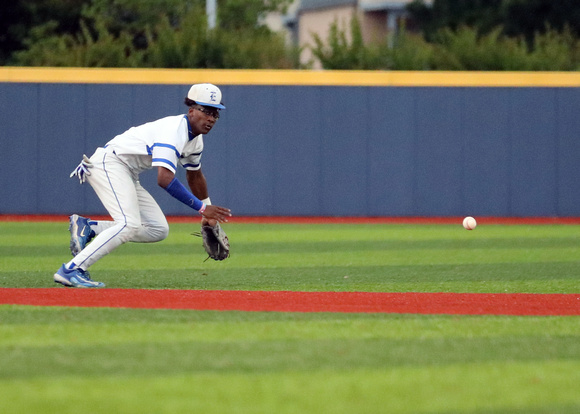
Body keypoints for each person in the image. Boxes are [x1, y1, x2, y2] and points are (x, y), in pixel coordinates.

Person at [54, 83, 232, 288]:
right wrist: (202, 208)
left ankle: (89, 227)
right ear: (191, 111)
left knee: (158, 229)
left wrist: (207, 211)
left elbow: (194, 175)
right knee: (128, 223)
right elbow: (164, 179)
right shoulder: (175, 131)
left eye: (215, 114)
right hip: (109, 164)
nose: (211, 118)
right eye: (206, 111)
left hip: (126, 171)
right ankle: (72, 269)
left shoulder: (195, 141)